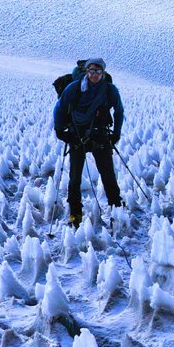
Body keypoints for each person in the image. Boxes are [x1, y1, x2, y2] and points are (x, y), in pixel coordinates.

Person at [53, 58, 124, 227]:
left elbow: (119, 111)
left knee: (108, 175)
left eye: (98, 71)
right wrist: (60, 131)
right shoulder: (74, 88)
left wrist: (116, 134)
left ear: (103, 73)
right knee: (75, 178)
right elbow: (59, 107)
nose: (94, 74)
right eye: (91, 71)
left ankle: (116, 211)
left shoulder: (109, 90)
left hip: (100, 134)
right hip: (77, 134)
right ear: (86, 71)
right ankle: (75, 216)